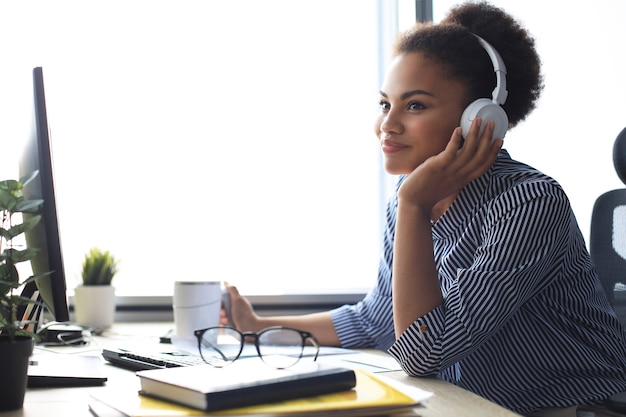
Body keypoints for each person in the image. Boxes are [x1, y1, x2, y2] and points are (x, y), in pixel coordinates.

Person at [221, 2, 626, 415]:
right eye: (384, 104)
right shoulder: (410, 197)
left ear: (479, 119)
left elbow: (422, 351)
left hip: (574, 409)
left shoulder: (527, 203)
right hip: (481, 406)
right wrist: (259, 328)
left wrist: (413, 204)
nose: (387, 124)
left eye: (414, 105)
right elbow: (376, 321)